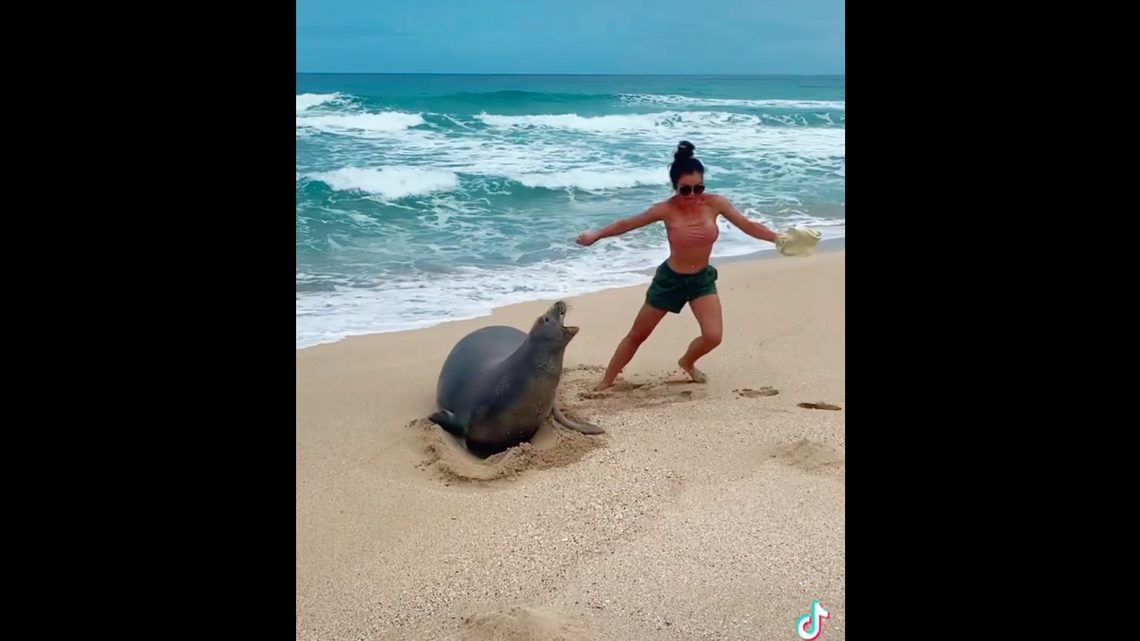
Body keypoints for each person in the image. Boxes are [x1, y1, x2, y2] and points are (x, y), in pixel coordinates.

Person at [575, 141, 781, 391]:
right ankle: (605, 382)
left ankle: (687, 362)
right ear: (675, 187)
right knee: (637, 336)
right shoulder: (666, 209)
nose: (693, 195)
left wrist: (778, 239)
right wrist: (595, 235)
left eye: (699, 188)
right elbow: (627, 223)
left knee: (713, 336)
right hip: (670, 280)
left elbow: (747, 225)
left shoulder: (716, 203)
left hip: (701, 280)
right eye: (686, 190)